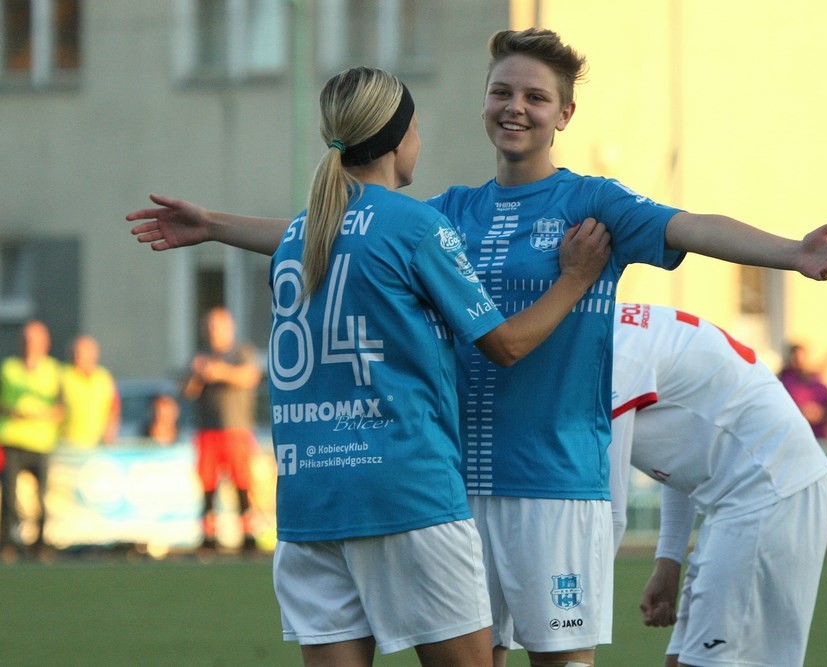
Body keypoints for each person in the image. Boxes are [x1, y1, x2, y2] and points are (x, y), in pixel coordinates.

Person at [126, 28, 827, 666]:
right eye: (501, 91)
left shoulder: (594, 203)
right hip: (457, 484)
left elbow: (691, 226)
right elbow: (337, 232)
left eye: (536, 97)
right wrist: (216, 225)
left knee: (559, 659)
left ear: (565, 114)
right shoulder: (449, 211)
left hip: (554, 479)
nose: (515, 107)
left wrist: (790, 253)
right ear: (482, 103)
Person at [137, 66, 611, 666]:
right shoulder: (416, 226)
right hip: (407, 493)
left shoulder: (302, 236)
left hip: (310, 503)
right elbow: (506, 344)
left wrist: (212, 225)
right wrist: (575, 279)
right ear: (399, 137)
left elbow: (345, 238)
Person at [607, 303, 827, 667]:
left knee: (703, 663)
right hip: (747, 494)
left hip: (771, 493)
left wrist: (574, 608)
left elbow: (610, 511)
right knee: (685, 661)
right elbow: (684, 454)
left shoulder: (616, 354)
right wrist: (668, 560)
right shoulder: (620, 331)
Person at [183, 306, 263, 553]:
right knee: (207, 485)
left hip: (236, 430)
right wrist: (198, 374)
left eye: (217, 326)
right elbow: (187, 391)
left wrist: (220, 372)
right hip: (208, 431)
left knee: (242, 483)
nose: (213, 332)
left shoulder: (241, 353)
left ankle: (248, 535)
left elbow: (249, 377)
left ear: (230, 328)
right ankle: (209, 536)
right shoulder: (201, 356)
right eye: (209, 327)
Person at [0, 320, 64, 561]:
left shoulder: (53, 370)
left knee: (42, 497)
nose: (30, 345)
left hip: (41, 442)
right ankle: (7, 543)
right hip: (13, 440)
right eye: (26, 339)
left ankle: (41, 543)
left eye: (35, 340)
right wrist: (15, 412)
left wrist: (43, 414)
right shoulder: (8, 369)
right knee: (9, 496)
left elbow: (61, 407)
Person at [61, 334, 121, 447]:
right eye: (76, 353)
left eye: (83, 353)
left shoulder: (104, 378)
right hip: (67, 443)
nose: (78, 356)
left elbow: (113, 408)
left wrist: (110, 433)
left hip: (96, 445)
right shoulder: (63, 375)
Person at [778, 342, 827, 440]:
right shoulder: (782, 384)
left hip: (816, 436)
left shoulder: (820, 386)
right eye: (796, 358)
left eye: (802, 358)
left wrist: (819, 413)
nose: (800, 362)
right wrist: (801, 411)